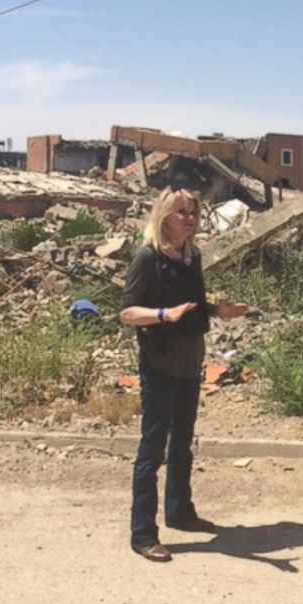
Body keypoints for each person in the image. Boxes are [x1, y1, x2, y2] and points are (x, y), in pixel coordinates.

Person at [119, 187, 248, 563]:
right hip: (159, 365)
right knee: (152, 450)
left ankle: (179, 510)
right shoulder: (148, 259)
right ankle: (143, 534)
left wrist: (218, 311)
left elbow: (193, 305)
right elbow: (127, 312)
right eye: (181, 212)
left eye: (193, 212)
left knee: (183, 444)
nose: (189, 218)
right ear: (164, 217)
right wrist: (162, 315)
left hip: (190, 363)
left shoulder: (193, 258)